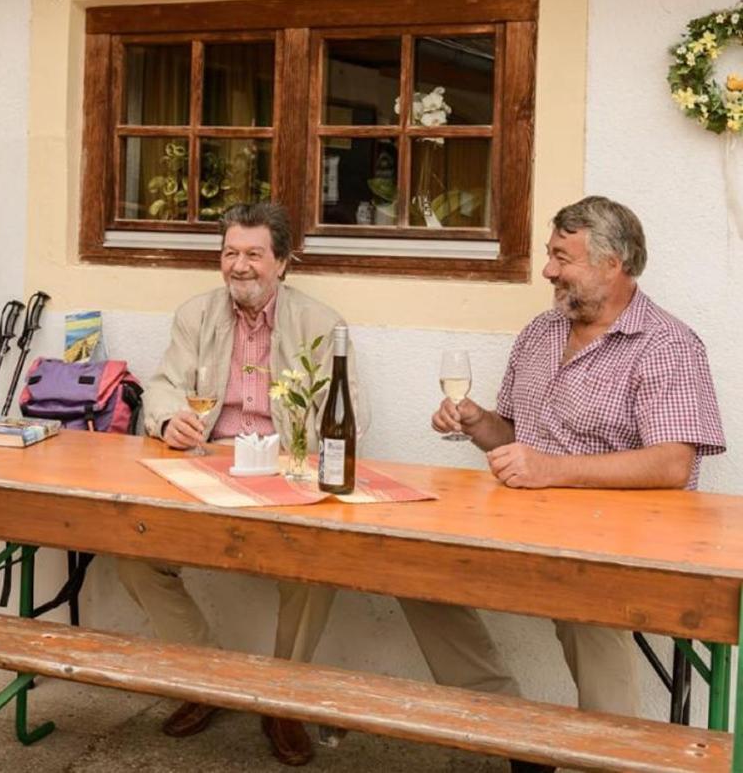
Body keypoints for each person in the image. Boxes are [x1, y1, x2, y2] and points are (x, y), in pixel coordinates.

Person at [121, 202, 522, 767]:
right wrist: (167, 419)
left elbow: (349, 414)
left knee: (316, 567)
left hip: (287, 475)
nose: (240, 266)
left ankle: (281, 700)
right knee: (132, 552)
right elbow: (164, 385)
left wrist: (298, 460)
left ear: (283, 262)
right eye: (230, 253)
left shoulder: (321, 323)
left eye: (254, 254)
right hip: (207, 466)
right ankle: (206, 678)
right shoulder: (196, 315)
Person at [431, 195, 725, 724]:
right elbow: (516, 437)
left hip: (610, 543)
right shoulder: (539, 333)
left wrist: (551, 471)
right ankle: (503, 723)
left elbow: (672, 464)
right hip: (520, 526)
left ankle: (611, 755)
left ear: (613, 265)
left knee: (588, 602)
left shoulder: (668, 345)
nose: (547, 270)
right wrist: (477, 421)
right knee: (413, 569)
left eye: (562, 258)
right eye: (549, 254)